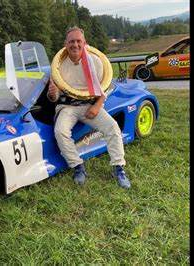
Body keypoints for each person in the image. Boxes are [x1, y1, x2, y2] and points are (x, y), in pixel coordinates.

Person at [47, 26, 131, 188]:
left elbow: (103, 87)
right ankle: (78, 167)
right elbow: (54, 98)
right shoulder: (57, 66)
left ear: (85, 43)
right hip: (67, 106)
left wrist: (97, 106)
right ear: (65, 43)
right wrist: (52, 93)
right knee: (60, 131)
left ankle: (119, 168)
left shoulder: (95, 62)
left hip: (90, 104)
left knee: (112, 127)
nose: (75, 45)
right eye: (72, 41)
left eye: (79, 41)